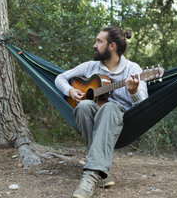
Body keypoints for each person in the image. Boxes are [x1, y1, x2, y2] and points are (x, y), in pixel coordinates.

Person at [55, 26, 148, 198]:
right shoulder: (90, 67)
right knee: (82, 106)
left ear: (111, 46)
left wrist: (133, 91)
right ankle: (101, 172)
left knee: (109, 107)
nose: (94, 45)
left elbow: (143, 106)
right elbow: (59, 78)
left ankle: (89, 177)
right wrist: (70, 91)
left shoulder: (133, 69)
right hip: (95, 121)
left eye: (99, 41)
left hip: (121, 122)